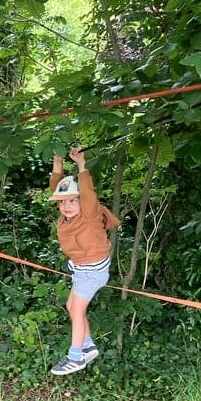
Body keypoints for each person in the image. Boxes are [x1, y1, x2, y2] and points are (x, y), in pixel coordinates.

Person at [47, 146, 119, 376]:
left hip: (92, 271)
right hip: (80, 270)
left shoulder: (88, 215)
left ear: (82, 202)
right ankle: (88, 346)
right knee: (71, 307)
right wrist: (58, 163)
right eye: (62, 203)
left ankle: (75, 357)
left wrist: (81, 165)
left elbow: (87, 192)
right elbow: (57, 189)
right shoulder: (66, 218)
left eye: (72, 201)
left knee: (77, 311)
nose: (66, 206)